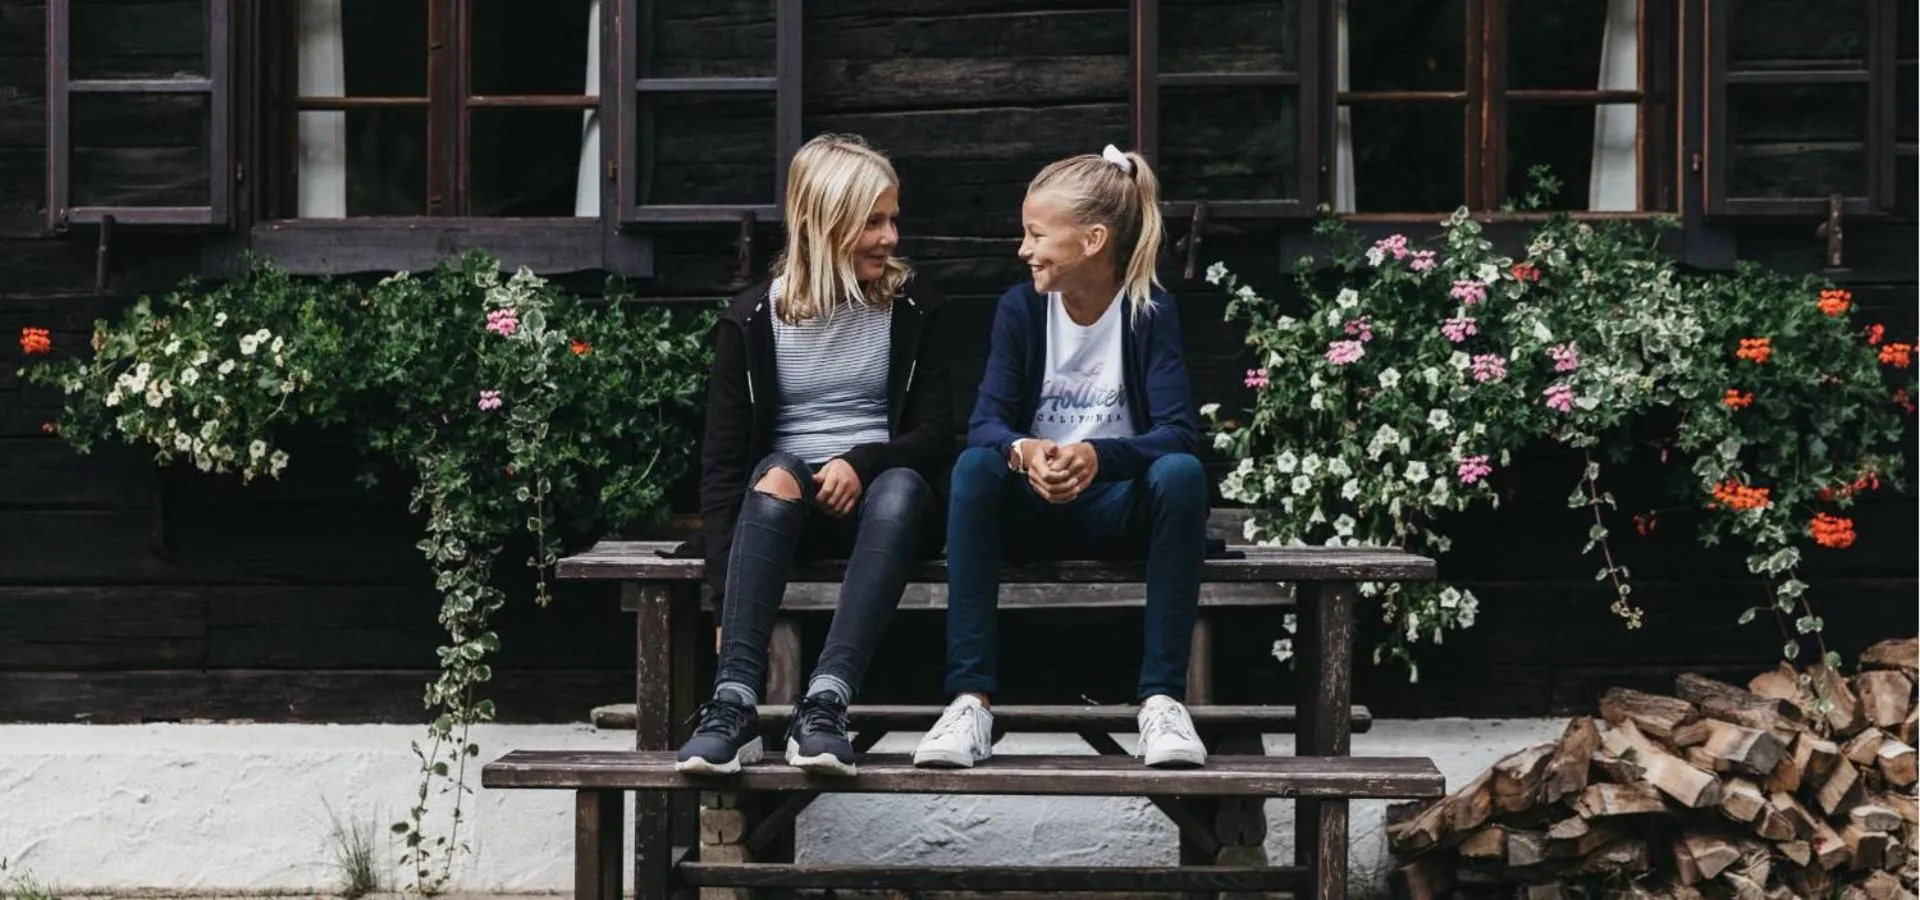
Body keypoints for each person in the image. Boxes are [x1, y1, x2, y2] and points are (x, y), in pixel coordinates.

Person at [912, 144, 1210, 770]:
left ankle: (1161, 703)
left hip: (1115, 511)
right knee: (974, 467)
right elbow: (987, 424)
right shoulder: (1021, 309)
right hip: (1032, 510)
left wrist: (1100, 458)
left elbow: (1179, 435)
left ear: (1094, 239)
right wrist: (1026, 453)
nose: (1024, 249)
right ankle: (969, 703)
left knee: (1180, 476)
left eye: (1037, 234)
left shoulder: (1149, 312)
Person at [676, 133, 953, 777]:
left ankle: (826, 704)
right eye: (872, 222)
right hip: (785, 515)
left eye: (893, 219)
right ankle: (734, 703)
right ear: (821, 224)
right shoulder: (751, 321)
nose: (890, 237)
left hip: (884, 510)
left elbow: (937, 434)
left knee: (904, 485)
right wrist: (724, 597)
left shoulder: (914, 307)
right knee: (773, 475)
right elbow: (720, 471)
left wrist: (862, 462)